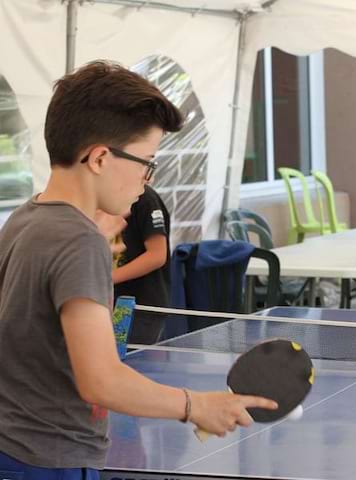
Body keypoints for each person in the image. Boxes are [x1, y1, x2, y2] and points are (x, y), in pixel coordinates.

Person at [0, 60, 276, 478]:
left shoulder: (25, 219)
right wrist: (195, 404)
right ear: (99, 158)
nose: (147, 179)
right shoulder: (78, 240)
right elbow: (101, 381)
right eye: (147, 161)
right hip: (50, 460)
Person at [113, 184, 171, 344]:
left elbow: (157, 255)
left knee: (131, 362)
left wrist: (107, 278)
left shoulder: (145, 199)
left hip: (140, 307)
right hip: (110, 303)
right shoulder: (99, 195)